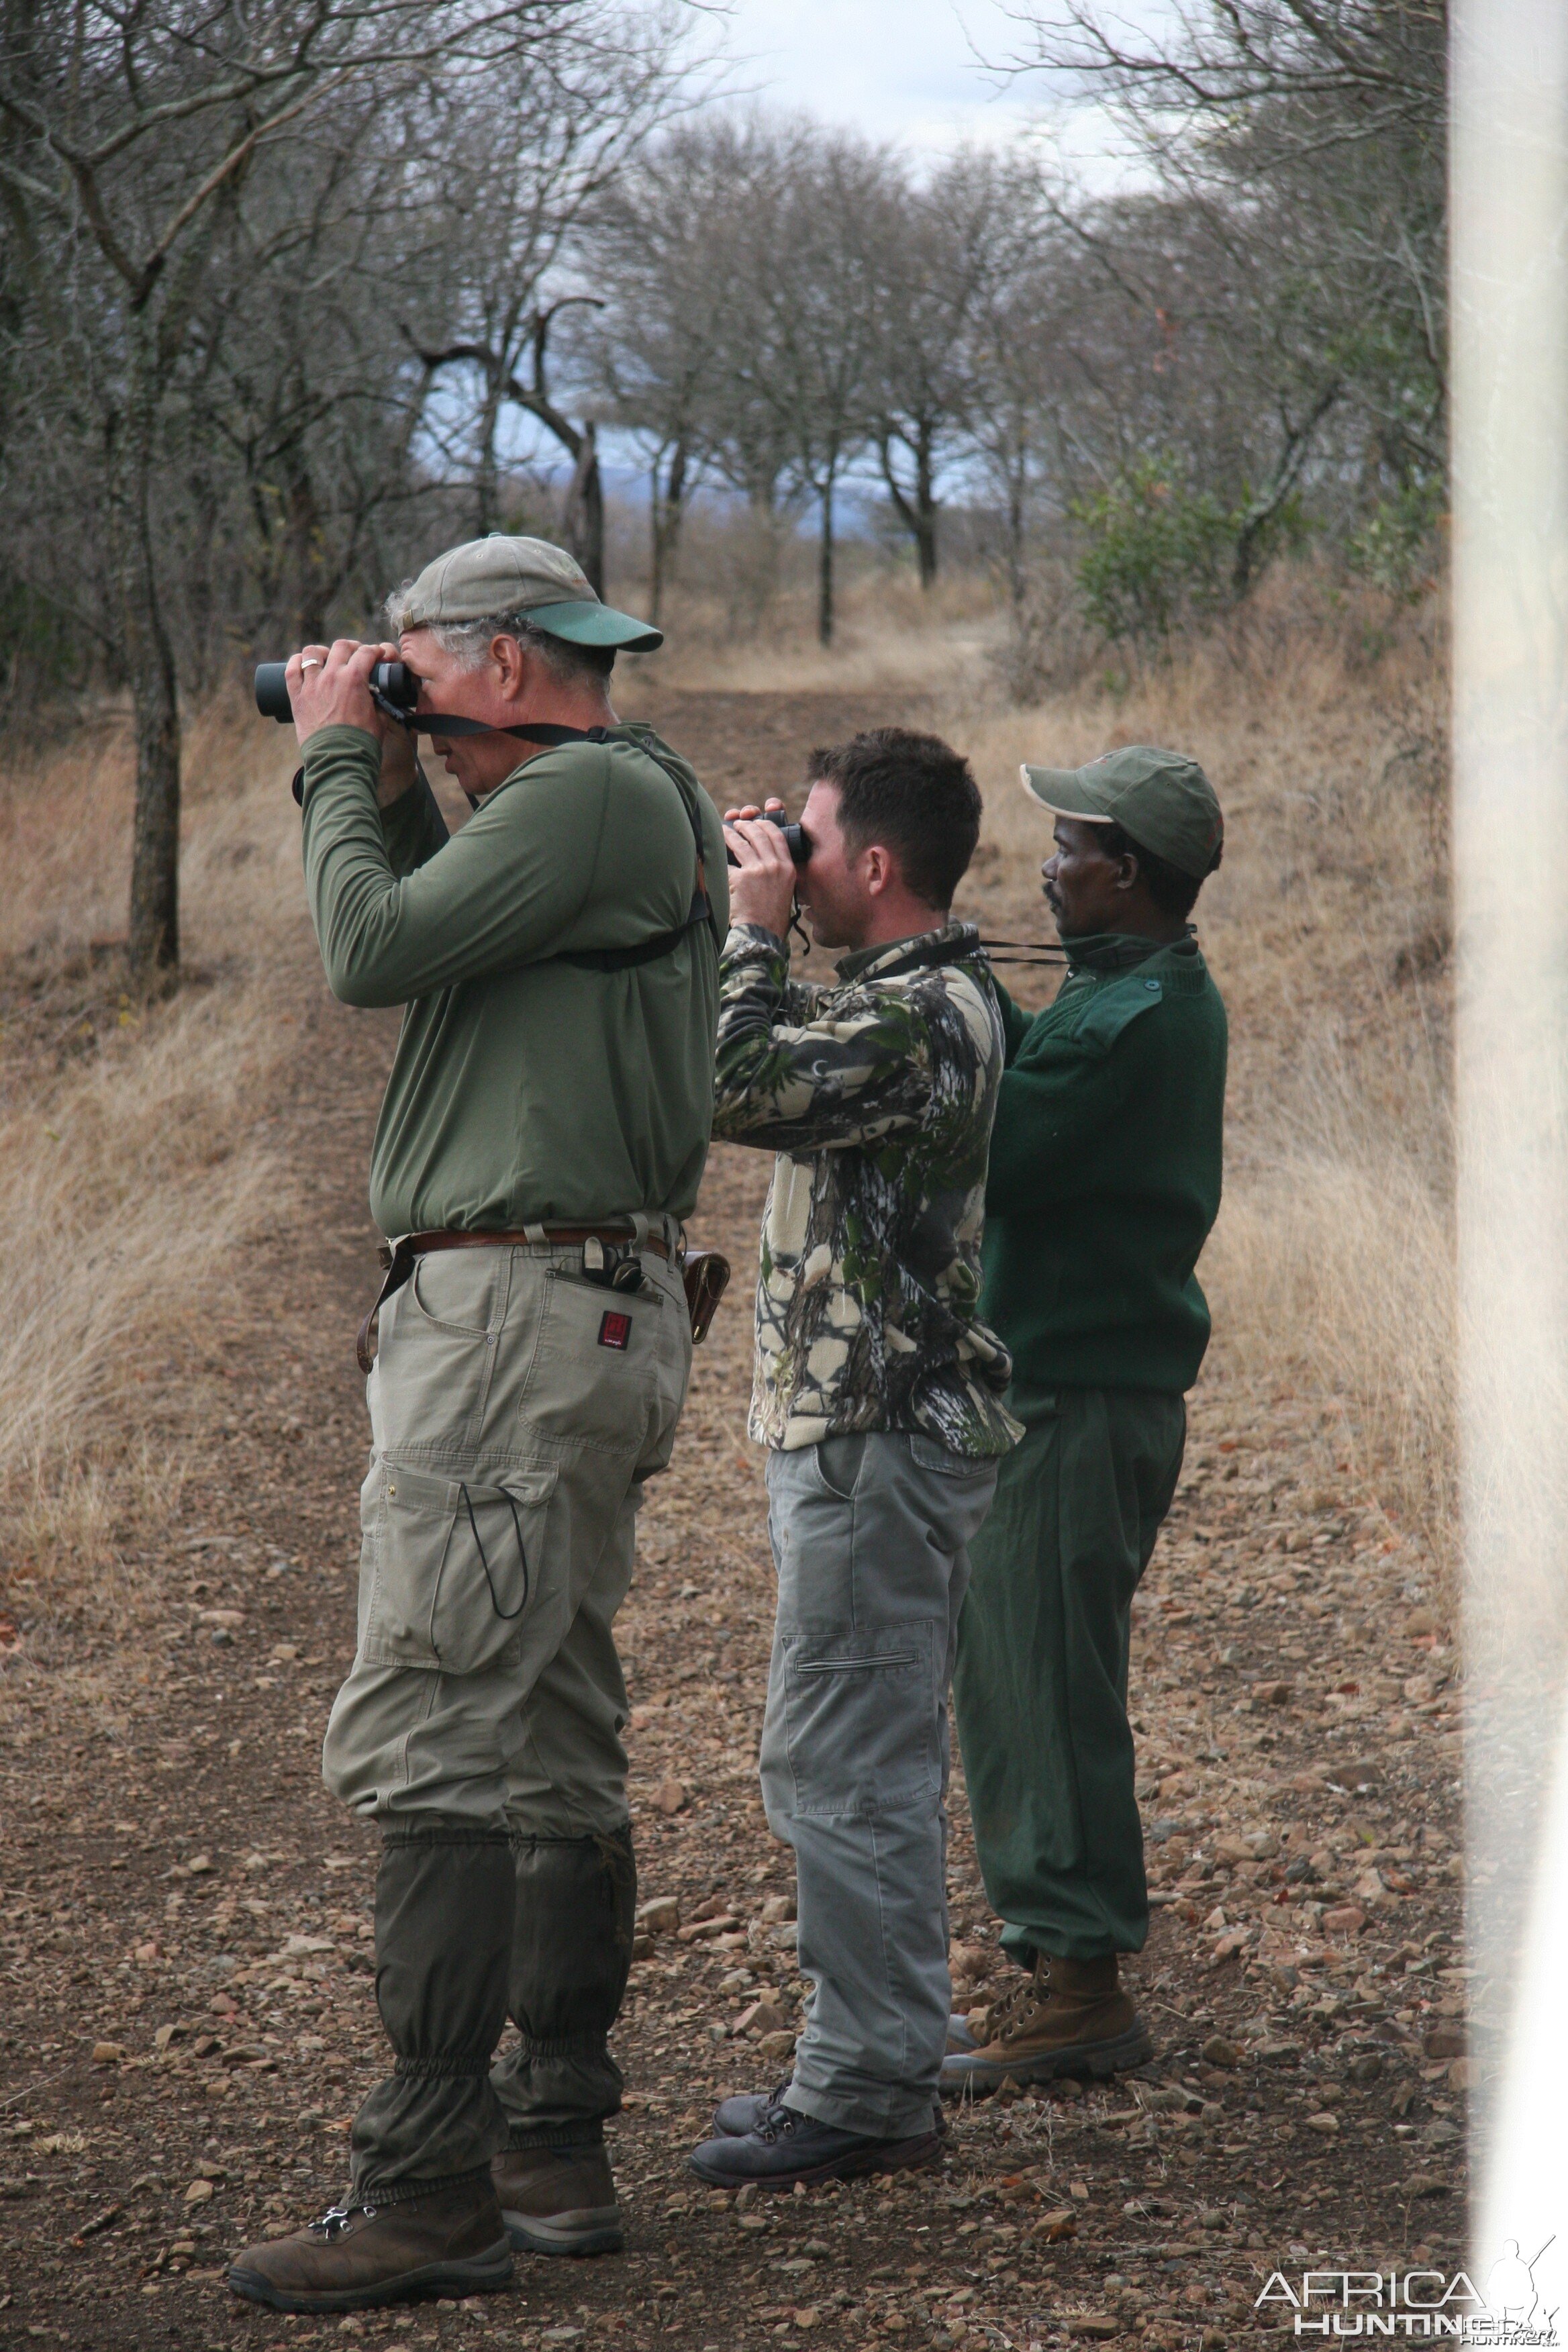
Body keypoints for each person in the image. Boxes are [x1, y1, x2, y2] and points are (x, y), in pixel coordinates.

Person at [228, 536, 727, 2313]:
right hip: (576, 1304)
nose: (410, 713)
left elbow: (368, 950)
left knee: (439, 1724)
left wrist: (324, 765)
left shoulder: (588, 799)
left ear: (506, 664)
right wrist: (383, 757)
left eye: (424, 679)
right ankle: (556, 2141)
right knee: (549, 1719)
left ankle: (428, 2177)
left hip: (517, 1319)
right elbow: (456, 948)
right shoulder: (622, 798)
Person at [687, 728, 1020, 2192]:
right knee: (856, 1751)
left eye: (809, 847)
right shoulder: (920, 996)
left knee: (843, 1763)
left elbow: (732, 1083)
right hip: (879, 1434)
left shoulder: (918, 1019)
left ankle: (871, 2085)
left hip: (876, 1441)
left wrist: (750, 938)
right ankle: (876, 2051)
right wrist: (764, 909)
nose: (792, 871)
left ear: (874, 865)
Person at [942, 746, 1227, 2096]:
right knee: (1021, 1673)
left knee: (1045, 1686)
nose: (1047, 870)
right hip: (1068, 1389)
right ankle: (1064, 1966)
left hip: (1077, 1396)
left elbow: (999, 1140)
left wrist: (928, 987)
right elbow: (1035, 1074)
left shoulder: (1136, 1020)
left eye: (1069, 850)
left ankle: (1079, 1982)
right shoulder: (1122, 993)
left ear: (1128, 873)